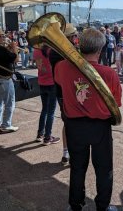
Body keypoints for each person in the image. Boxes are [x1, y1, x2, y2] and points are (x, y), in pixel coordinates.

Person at [54, 28, 122, 211]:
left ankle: (75, 205)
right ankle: (103, 206)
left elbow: (60, 81)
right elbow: (116, 104)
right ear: (100, 50)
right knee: (103, 168)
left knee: (77, 167)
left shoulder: (61, 66)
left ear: (79, 45)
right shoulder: (109, 74)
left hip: (74, 126)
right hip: (100, 126)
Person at [49, 23, 78, 165]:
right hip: (69, 92)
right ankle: (70, 153)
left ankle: (66, 152)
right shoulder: (62, 52)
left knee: (68, 122)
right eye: (74, 36)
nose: (75, 39)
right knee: (73, 123)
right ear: (69, 37)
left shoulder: (55, 51)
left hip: (62, 91)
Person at [33, 45, 60, 145]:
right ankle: (47, 137)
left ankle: (40, 134)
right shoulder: (52, 50)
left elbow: (40, 67)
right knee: (51, 112)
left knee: (44, 109)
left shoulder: (36, 50)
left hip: (42, 82)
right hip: (52, 83)